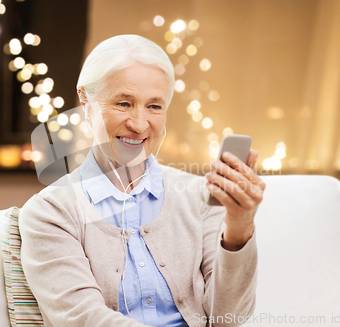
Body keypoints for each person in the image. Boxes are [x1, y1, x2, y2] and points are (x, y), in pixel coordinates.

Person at [19, 34, 265, 327]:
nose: (138, 124)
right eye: (123, 103)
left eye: (154, 106)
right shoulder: (50, 212)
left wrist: (239, 228)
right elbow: (82, 319)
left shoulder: (200, 197)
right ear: (85, 100)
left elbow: (230, 318)